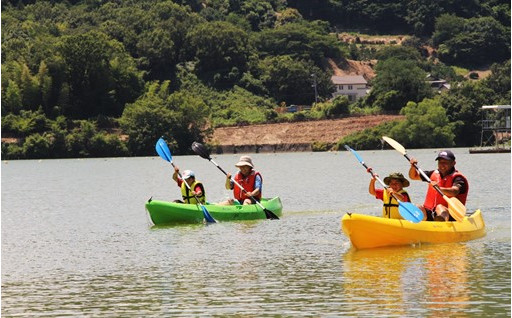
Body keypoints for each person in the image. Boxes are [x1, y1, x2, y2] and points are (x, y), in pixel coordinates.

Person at [409, 150, 469, 222]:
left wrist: (439, 188)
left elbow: (454, 191)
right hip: (430, 212)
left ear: (453, 163)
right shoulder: (433, 173)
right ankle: (418, 224)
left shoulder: (458, 178)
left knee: (440, 207)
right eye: (440, 162)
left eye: (445, 163)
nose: (442, 165)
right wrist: (413, 167)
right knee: (417, 207)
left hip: (450, 214)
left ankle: (441, 223)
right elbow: (413, 176)